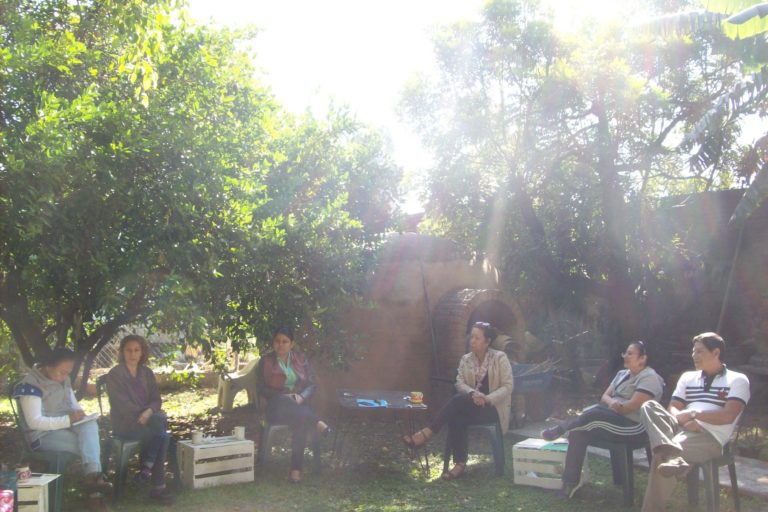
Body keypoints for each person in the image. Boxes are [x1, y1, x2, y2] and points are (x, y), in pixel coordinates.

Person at [639, 332, 750, 512]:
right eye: (693, 351)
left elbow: (728, 415)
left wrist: (694, 414)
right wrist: (684, 420)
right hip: (680, 428)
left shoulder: (737, 380)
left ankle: (652, 505)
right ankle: (671, 451)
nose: (694, 356)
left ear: (716, 353)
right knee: (649, 406)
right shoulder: (688, 377)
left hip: (709, 436)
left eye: (699, 352)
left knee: (661, 456)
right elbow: (673, 408)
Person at [540, 341, 665, 498]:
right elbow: (605, 396)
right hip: (613, 419)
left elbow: (630, 407)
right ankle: (569, 483)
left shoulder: (649, 378)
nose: (625, 356)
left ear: (642, 359)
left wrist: (614, 405)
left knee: (594, 412)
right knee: (579, 432)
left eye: (630, 353)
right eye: (624, 353)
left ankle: (561, 428)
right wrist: (613, 402)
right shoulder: (622, 375)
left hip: (634, 427)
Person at [401, 321, 514, 480]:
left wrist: (486, 399)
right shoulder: (466, 359)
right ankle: (459, 463)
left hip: (491, 410)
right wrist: (473, 393)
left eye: (477, 338)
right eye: (471, 337)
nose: (472, 341)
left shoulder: (500, 358)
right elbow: (459, 383)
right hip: (470, 406)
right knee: (456, 415)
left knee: (457, 402)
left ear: (487, 342)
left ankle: (427, 433)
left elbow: (508, 386)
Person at [14, 348, 112, 512]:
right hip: (41, 436)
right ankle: (95, 492)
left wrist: (81, 416)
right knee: (89, 446)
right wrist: (68, 420)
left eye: (68, 373)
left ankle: (92, 482)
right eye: (61, 372)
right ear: (48, 366)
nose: (64, 377)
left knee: (90, 427)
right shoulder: (30, 385)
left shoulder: (63, 379)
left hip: (65, 427)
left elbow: (72, 404)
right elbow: (35, 422)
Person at [105, 334, 174, 505]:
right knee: (161, 432)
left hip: (148, 421)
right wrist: (143, 414)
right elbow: (121, 404)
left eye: (137, 350)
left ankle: (146, 470)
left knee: (159, 425)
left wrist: (149, 412)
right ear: (122, 352)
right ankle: (156, 485)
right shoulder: (115, 374)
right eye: (129, 350)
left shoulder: (146, 372)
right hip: (126, 423)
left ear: (142, 352)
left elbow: (156, 399)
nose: (133, 354)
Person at [257, 327, 331, 483]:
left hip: (298, 406)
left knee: (301, 421)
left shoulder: (300, 358)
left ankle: (295, 472)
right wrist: (285, 396)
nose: (281, 344)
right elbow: (261, 388)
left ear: (292, 344)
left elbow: (311, 384)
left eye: (285, 341)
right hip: (275, 407)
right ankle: (317, 422)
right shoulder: (265, 361)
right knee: (286, 403)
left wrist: (301, 397)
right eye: (277, 341)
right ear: (273, 343)